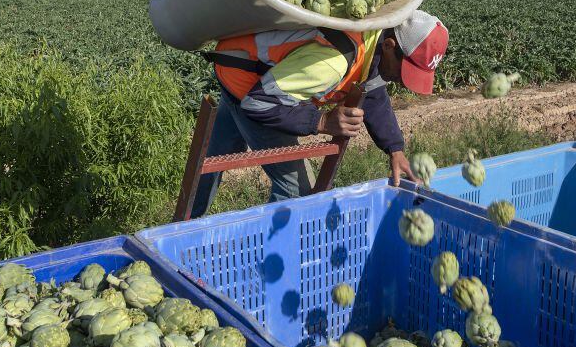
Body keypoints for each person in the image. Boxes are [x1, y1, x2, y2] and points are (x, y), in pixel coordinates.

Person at [190, 11, 448, 218]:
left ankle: (186, 223)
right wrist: (322, 121)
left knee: (214, 159)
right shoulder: (332, 62)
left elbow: (374, 93)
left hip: (243, 68)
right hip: (250, 87)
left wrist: (395, 149)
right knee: (298, 192)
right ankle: (270, 264)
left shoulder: (374, 40)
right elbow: (259, 103)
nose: (402, 83)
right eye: (405, 72)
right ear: (390, 45)